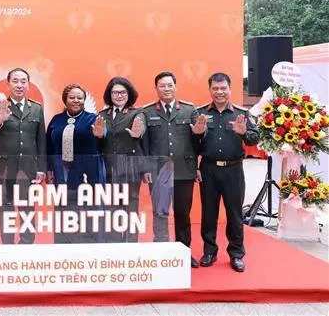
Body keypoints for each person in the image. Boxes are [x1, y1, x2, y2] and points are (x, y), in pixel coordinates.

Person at [194, 72, 259, 272]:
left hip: (233, 170)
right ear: (210, 90)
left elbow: (254, 139)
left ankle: (237, 254)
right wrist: (196, 136)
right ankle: (209, 251)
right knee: (208, 213)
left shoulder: (242, 113)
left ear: (229, 89)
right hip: (209, 169)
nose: (219, 92)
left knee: (235, 214)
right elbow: (191, 144)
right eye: (215, 88)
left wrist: (244, 133)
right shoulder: (200, 113)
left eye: (223, 88)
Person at [141, 72, 201, 267]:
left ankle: (183, 252)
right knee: (160, 213)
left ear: (176, 87)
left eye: (169, 85)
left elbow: (198, 141)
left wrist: (201, 135)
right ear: (156, 89)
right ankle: (161, 251)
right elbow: (145, 144)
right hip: (159, 172)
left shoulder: (189, 110)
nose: (166, 89)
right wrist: (146, 168)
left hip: (184, 170)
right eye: (162, 86)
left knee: (183, 213)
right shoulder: (147, 112)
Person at [0, 68, 46, 244]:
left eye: (23, 81)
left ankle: (26, 247)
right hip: (3, 170)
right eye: (15, 81)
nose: (19, 85)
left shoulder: (36, 108)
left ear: (28, 84)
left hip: (27, 170)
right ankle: (8, 249)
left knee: (27, 210)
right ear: (8, 83)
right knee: (6, 211)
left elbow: (41, 140)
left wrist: (42, 168)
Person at [46, 83, 104, 243]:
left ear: (84, 100)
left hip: (86, 175)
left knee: (85, 210)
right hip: (61, 172)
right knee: (63, 209)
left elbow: (102, 138)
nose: (76, 100)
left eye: (80, 97)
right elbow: (48, 146)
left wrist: (100, 135)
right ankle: (63, 244)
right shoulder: (56, 120)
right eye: (72, 97)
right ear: (65, 100)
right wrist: (48, 169)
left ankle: (87, 244)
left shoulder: (92, 118)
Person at [96, 76, 150, 243]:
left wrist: (138, 133)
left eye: (122, 92)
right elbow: (99, 141)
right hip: (108, 168)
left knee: (130, 207)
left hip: (130, 168)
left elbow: (141, 130)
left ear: (129, 94)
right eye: (115, 93)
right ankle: (114, 244)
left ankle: (131, 245)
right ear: (109, 95)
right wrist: (97, 137)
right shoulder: (102, 115)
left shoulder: (137, 113)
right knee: (111, 208)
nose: (119, 96)